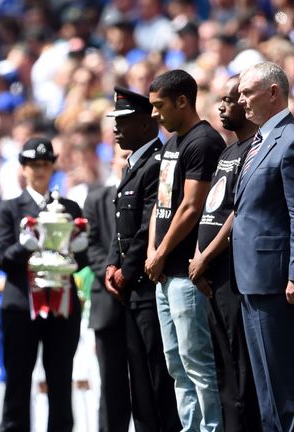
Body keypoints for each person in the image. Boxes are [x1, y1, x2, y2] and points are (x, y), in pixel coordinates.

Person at [233, 61, 294, 432]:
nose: (241, 101)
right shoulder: (260, 142)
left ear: (273, 92)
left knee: (285, 391)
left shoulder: (293, 140)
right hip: (253, 280)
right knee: (267, 392)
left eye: (247, 93)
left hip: (278, 285)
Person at [90, 86, 180, 432]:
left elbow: (149, 224)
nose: (115, 129)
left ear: (146, 124)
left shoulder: (159, 163)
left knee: (158, 377)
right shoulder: (134, 164)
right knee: (138, 381)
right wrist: (112, 264)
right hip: (130, 290)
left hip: (147, 286)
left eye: (123, 121)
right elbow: (120, 230)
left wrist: (125, 272)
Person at [145, 69, 225, 431]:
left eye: (159, 105)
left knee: (198, 365)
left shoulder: (204, 142)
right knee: (177, 366)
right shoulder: (173, 143)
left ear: (182, 101)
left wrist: (161, 253)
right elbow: (162, 205)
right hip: (164, 272)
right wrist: (152, 249)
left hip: (185, 274)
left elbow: (193, 206)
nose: (154, 114)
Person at [0, 137, 88, 432]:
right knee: (18, 382)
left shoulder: (69, 207)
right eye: (34, 165)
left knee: (60, 379)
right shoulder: (10, 208)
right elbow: (4, 260)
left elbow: (82, 258)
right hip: (21, 305)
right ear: (23, 168)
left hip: (61, 305)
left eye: (45, 165)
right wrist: (27, 246)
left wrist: (77, 245)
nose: (40, 171)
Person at [187, 75, 261, 432]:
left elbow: (238, 213)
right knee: (222, 371)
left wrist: (205, 256)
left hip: (234, 274)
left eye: (229, 99)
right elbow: (210, 210)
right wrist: (199, 258)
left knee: (242, 372)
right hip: (210, 277)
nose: (221, 106)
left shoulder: (254, 150)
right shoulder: (227, 151)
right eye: (219, 99)